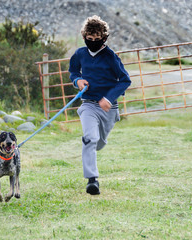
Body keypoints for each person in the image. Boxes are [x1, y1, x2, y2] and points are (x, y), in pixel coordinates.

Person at [69, 15, 131, 195]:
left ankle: (96, 142)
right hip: (88, 104)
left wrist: (109, 98)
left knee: (100, 142)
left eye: (98, 40)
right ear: (84, 38)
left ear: (104, 39)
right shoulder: (80, 54)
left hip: (108, 108)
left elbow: (125, 80)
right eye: (90, 39)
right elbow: (73, 71)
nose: (94, 42)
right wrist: (78, 81)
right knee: (90, 139)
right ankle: (92, 180)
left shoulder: (111, 57)